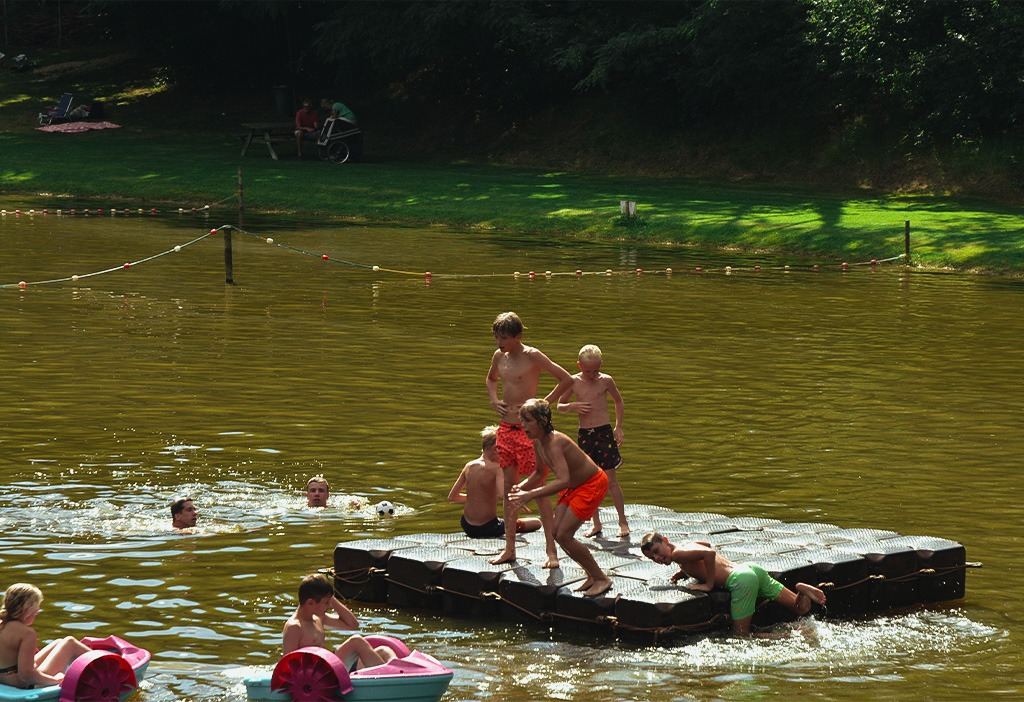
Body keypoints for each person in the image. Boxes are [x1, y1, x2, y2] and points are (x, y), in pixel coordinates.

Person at [486, 311, 574, 566]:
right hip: (506, 428)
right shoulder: (498, 356)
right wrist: (494, 401)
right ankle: (509, 548)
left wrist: (543, 403)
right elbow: (491, 380)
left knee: (539, 490)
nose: (500, 342)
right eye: (497, 337)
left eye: (504, 337)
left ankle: (551, 551)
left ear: (518, 336)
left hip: (530, 431)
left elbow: (566, 379)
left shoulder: (532, 355)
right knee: (509, 489)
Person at [508, 399, 613, 597]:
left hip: (591, 483)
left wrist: (529, 495)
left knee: (565, 534)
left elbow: (563, 480)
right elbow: (540, 473)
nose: (523, 426)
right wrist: (519, 489)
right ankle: (591, 575)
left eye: (528, 421)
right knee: (557, 533)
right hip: (573, 486)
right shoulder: (538, 442)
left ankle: (602, 578)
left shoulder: (556, 442)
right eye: (522, 421)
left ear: (543, 420)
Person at [639, 532, 827, 636]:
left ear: (665, 540)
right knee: (800, 608)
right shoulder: (684, 548)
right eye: (652, 557)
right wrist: (685, 570)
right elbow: (706, 545)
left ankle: (790, 636)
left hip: (740, 581)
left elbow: (709, 554)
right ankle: (801, 590)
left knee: (742, 636)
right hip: (751, 569)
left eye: (657, 550)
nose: (657, 557)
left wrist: (708, 585)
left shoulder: (680, 554)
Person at [556, 344, 628, 538]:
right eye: (588, 370)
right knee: (590, 481)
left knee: (611, 480)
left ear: (601, 365)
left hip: (603, 432)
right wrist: (573, 406)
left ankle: (623, 521)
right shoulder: (573, 381)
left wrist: (618, 426)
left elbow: (618, 401)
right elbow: (560, 406)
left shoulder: (605, 380)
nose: (592, 374)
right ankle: (596, 523)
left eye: (596, 370)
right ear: (579, 366)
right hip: (585, 434)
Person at [282, 574, 397, 671]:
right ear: (311, 603)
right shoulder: (295, 627)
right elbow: (288, 665)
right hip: (319, 675)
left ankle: (399, 673)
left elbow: (352, 625)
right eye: (327, 602)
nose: (330, 606)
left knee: (384, 651)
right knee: (356, 641)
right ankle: (388, 677)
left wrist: (330, 597)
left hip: (331, 665)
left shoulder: (318, 618)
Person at [448, 425, 542, 538]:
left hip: (466, 525)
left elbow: (452, 497)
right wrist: (519, 500)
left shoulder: (469, 466)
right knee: (537, 523)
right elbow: (502, 494)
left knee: (502, 520)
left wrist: (476, 497)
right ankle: (516, 525)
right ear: (495, 450)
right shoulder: (497, 469)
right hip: (488, 527)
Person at [0, 583, 91, 689]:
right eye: (36, 607)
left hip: (6, 680)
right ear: (27, 609)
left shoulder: (3, 624)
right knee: (69, 643)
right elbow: (26, 675)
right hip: (25, 685)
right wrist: (56, 680)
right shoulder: (27, 634)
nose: (38, 611)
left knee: (59, 642)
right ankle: (110, 666)